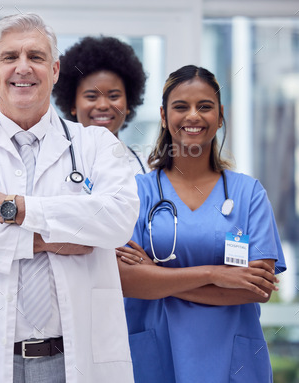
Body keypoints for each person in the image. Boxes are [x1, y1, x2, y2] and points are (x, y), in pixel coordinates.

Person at [0, 13, 139, 383]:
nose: (23, 67)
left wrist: (15, 208)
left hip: (74, 358)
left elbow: (117, 221)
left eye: (35, 57)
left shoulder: (97, 143)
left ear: (54, 70)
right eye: (9, 57)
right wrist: (43, 239)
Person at [115, 65, 286, 383]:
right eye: (181, 106)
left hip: (234, 362)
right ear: (164, 116)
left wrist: (158, 277)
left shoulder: (248, 193)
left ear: (220, 116)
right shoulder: (137, 191)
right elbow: (126, 281)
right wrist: (216, 275)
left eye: (204, 106)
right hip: (157, 356)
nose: (193, 116)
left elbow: (258, 288)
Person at [53, 36, 148, 175]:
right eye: (91, 97)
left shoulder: (146, 167)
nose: (103, 105)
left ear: (128, 104)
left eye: (114, 96)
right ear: (73, 105)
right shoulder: (56, 164)